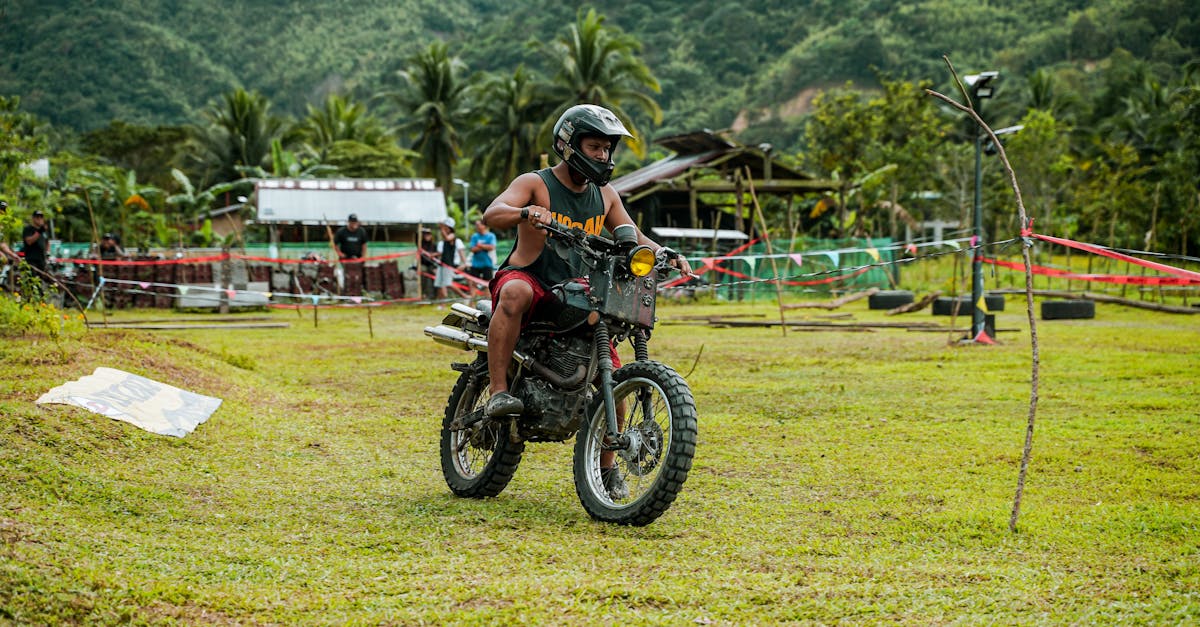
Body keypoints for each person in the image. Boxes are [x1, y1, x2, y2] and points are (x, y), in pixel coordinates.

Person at [481, 104, 691, 497]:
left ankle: (607, 469)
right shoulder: (537, 182)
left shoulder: (606, 195)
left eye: (607, 150)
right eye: (594, 146)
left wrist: (667, 254)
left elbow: (634, 236)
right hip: (533, 278)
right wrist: (527, 212)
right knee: (515, 292)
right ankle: (497, 390)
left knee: (612, 373)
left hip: (580, 292)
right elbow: (493, 213)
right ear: (569, 144)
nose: (602, 156)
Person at [434, 217, 466, 300]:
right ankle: (441, 303)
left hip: (449, 265)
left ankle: (465, 296)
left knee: (448, 284)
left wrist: (441, 228)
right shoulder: (443, 242)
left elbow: (448, 238)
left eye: (445, 227)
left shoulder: (452, 236)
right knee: (440, 284)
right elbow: (441, 252)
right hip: (442, 264)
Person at [21, 209, 50, 274]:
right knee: (32, 280)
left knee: (41, 281)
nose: (39, 219)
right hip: (31, 260)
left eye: (41, 217)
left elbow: (47, 242)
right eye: (37, 217)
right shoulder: (28, 229)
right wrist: (39, 231)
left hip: (42, 260)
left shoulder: (44, 231)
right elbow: (29, 241)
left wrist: (47, 253)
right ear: (33, 218)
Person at [418, 227, 439, 299]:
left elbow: (438, 254)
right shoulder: (421, 244)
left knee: (435, 277)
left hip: (432, 265)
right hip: (423, 265)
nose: (427, 236)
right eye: (426, 235)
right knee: (423, 276)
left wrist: (432, 255)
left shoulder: (434, 245)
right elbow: (416, 236)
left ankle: (435, 295)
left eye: (429, 235)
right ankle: (423, 295)